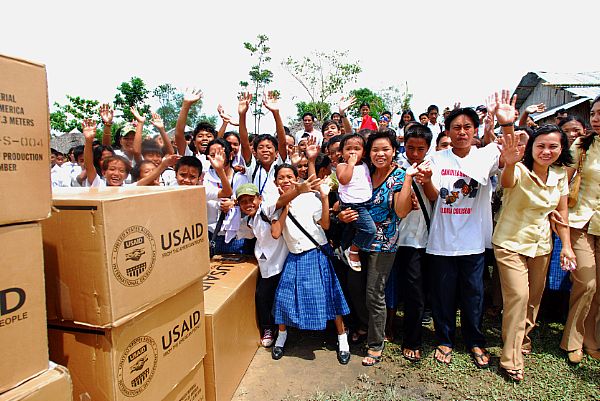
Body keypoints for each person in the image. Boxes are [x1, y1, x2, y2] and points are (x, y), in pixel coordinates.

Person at [419, 91, 514, 368]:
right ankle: (445, 339)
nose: (462, 132)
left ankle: (475, 340)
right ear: (447, 130)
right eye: (456, 127)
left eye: (467, 128)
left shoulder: (486, 154)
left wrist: (506, 124)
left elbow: (509, 159)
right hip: (441, 242)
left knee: (474, 294)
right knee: (443, 295)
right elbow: (435, 195)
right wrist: (426, 181)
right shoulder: (438, 159)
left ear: (475, 131)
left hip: (473, 242)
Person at [493, 124, 575, 382]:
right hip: (509, 243)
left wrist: (568, 246)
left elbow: (562, 214)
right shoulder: (517, 168)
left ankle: (522, 339)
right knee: (519, 295)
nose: (546, 151)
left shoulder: (560, 175)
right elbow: (507, 182)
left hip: (541, 245)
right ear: (531, 148)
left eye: (553, 146)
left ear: (562, 149)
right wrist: (508, 163)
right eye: (540, 145)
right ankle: (511, 357)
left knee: (533, 299)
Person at [339, 130, 414, 366]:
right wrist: (342, 215)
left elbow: (401, 212)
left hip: (383, 244)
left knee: (374, 293)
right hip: (358, 240)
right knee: (355, 288)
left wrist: (409, 179)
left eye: (385, 149)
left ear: (394, 151)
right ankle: (365, 325)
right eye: (375, 149)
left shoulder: (400, 175)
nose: (380, 154)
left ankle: (375, 344)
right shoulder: (365, 172)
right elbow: (344, 197)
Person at [270, 164, 351, 365]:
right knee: (283, 298)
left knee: (330, 297)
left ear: (297, 178)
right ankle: (281, 337)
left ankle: (342, 338)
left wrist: (324, 198)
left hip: (316, 253)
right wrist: (285, 207)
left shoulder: (308, 197)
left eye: (290, 176)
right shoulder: (275, 202)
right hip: (295, 256)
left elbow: (325, 224)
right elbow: (276, 233)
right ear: (275, 182)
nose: (286, 180)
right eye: (281, 177)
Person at [385, 124, 433, 361]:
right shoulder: (395, 167)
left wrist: (427, 181)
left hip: (419, 239)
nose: (415, 153)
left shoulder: (433, 167)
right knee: (389, 288)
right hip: (394, 237)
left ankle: (412, 339)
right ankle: (386, 329)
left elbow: (435, 198)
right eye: (410, 148)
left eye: (420, 149)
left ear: (428, 148)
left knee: (415, 291)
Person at [560, 95, 600, 364]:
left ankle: (592, 339)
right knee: (587, 282)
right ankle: (572, 340)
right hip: (581, 222)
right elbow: (563, 181)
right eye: (595, 113)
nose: (596, 118)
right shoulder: (582, 145)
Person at [235, 183, 289, 348]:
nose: (248, 204)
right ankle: (268, 329)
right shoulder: (249, 220)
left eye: (251, 199)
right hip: (268, 263)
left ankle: (279, 330)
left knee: (271, 296)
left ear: (259, 198)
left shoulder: (266, 210)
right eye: (243, 202)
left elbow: (280, 202)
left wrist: (298, 190)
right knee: (263, 296)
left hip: (283, 260)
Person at [238, 91, 289, 205]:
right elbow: (245, 143)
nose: (265, 150)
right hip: (259, 219)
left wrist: (276, 113)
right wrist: (242, 115)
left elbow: (282, 142)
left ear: (276, 153)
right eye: (261, 147)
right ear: (254, 153)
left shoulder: (280, 166)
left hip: (280, 217)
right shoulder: (252, 168)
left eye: (269, 147)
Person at [336, 133, 376, 271]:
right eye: (348, 149)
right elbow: (344, 180)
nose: (352, 152)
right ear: (341, 152)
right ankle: (352, 251)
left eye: (357, 149)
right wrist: (350, 165)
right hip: (353, 205)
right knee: (370, 230)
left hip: (365, 202)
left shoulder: (366, 165)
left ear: (364, 152)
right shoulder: (342, 166)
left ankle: (343, 248)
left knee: (357, 229)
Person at [204, 138, 249, 255]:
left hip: (237, 237)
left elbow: (249, 203)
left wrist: (234, 203)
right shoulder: (204, 178)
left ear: (230, 155)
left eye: (220, 154)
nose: (217, 158)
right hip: (211, 234)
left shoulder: (241, 178)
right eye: (212, 155)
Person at [175, 88, 215, 174]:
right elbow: (179, 134)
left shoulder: (222, 161)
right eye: (200, 136)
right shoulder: (189, 157)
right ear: (194, 142)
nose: (204, 138)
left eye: (209, 136)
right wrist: (186, 104)